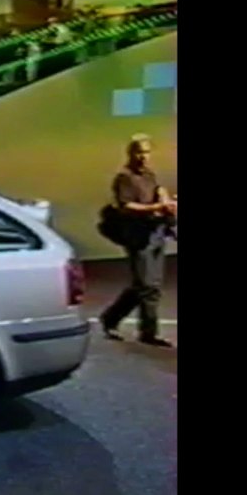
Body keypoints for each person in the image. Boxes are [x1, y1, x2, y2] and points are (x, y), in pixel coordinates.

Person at [98, 134, 176, 346]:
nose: (143, 156)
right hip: (137, 236)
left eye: (146, 152)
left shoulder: (149, 175)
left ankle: (111, 319)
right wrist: (156, 207)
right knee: (146, 285)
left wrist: (164, 200)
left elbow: (157, 193)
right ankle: (149, 332)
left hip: (155, 233)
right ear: (130, 153)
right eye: (139, 152)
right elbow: (126, 206)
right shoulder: (125, 177)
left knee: (149, 285)